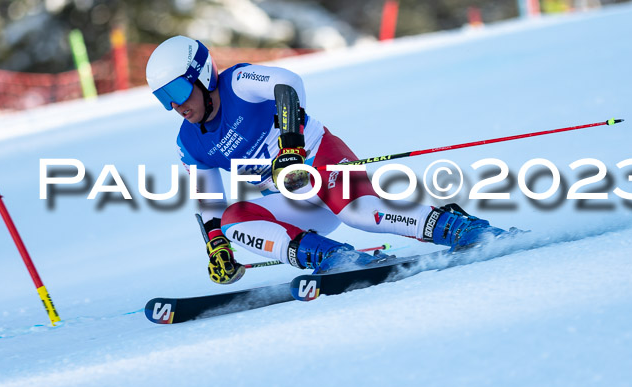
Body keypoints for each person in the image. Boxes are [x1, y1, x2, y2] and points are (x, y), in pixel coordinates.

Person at [146, 36, 506, 285]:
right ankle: (335, 260)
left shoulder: (238, 82)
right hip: (293, 197)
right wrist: (217, 247)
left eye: (177, 90)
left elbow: (287, 83)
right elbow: (209, 200)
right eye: (165, 98)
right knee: (233, 221)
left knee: (358, 213)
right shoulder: (189, 141)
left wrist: (291, 146)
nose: (176, 105)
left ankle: (461, 229)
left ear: (203, 75)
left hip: (322, 162)